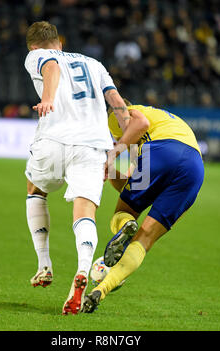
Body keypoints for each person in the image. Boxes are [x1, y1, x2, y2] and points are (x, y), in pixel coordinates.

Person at [24, 21, 131, 315]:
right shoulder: (95, 64)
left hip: (54, 139)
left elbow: (52, 69)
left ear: (34, 46)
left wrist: (47, 98)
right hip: (93, 146)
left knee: (36, 189)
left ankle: (44, 264)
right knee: (85, 211)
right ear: (60, 41)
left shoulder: (37, 55)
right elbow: (116, 102)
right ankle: (83, 269)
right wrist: (128, 135)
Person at [82, 99, 204, 313]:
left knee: (122, 213)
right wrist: (109, 168)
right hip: (194, 168)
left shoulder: (120, 112)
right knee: (145, 239)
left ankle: (126, 225)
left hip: (160, 151)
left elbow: (140, 123)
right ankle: (102, 289)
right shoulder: (162, 123)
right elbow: (130, 185)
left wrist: (111, 154)